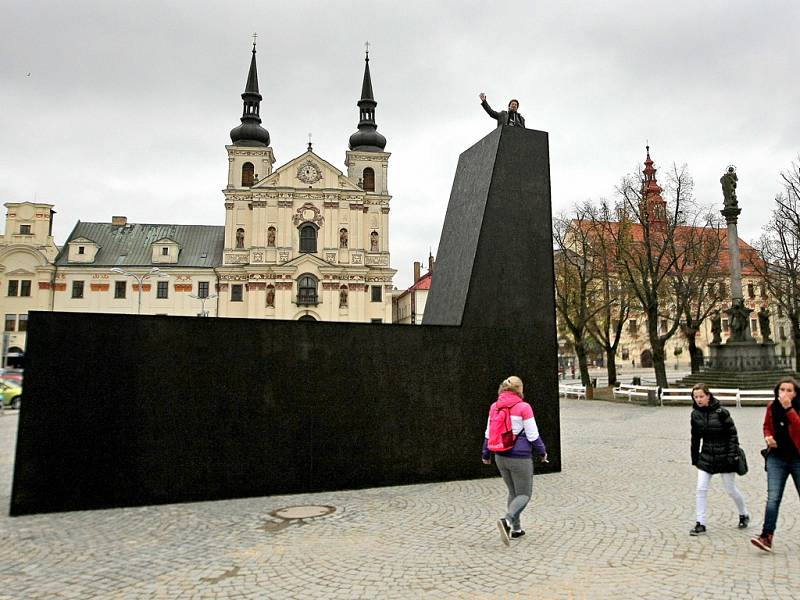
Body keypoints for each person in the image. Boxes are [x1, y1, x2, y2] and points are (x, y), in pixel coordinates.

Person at [481, 376, 547, 545]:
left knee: (513, 492)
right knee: (524, 494)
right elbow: (533, 435)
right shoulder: (524, 407)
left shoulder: (494, 407)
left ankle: (516, 529)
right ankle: (507, 520)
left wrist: (485, 454)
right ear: (519, 389)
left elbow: (488, 434)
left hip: (500, 456)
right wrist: (542, 452)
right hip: (519, 457)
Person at [689, 383, 749, 536]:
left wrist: (731, 456)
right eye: (696, 397)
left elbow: (732, 436)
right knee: (701, 489)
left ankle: (744, 514)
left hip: (725, 456)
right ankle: (700, 523)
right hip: (707, 456)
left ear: (708, 396)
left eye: (701, 396)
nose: (698, 399)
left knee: (730, 489)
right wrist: (695, 458)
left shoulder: (722, 412)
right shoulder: (695, 415)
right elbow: (695, 438)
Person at [751, 377, 800, 552]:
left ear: (795, 393)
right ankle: (766, 537)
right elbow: (767, 426)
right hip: (777, 457)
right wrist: (768, 437)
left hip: (797, 458)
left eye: (789, 390)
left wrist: (789, 409)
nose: (785, 393)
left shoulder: (796, 407)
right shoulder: (772, 406)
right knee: (773, 498)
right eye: (782, 390)